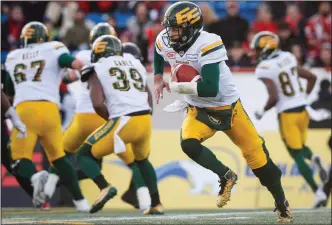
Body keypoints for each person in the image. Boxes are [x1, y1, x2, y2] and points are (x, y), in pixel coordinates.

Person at [154, 2, 291, 223]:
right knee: (188, 143)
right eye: (169, 28)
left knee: (259, 160)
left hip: (228, 109)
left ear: (191, 27)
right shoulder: (165, 38)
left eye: (176, 28)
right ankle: (226, 175)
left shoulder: (208, 43)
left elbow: (210, 88)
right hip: (198, 109)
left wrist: (177, 87)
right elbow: (158, 49)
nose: (170, 33)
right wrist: (158, 77)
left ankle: (281, 201)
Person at [43, 23, 142, 210]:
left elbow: (69, 77)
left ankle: (47, 190)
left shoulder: (82, 56)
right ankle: (146, 201)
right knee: (135, 161)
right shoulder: (123, 60)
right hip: (109, 116)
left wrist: (63, 73)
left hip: (83, 117)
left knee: (60, 155)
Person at [4, 21, 90, 211]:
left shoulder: (13, 56)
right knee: (59, 158)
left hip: (25, 110)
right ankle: (81, 202)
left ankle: (36, 177)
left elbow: (9, 92)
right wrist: (81, 68)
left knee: (18, 159)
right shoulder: (53, 49)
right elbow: (72, 62)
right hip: (50, 111)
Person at [77, 35, 162, 214]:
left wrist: (111, 120)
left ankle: (105, 187)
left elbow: (98, 103)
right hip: (145, 119)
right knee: (143, 161)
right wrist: (146, 116)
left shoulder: (97, 67)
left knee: (84, 154)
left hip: (123, 120)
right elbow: (148, 94)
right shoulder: (135, 63)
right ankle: (156, 204)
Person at [251, 31, 328, 209]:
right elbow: (312, 77)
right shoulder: (288, 57)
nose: (256, 53)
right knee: (300, 148)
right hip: (303, 110)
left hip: (287, 114)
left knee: (296, 154)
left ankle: (318, 192)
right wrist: (303, 97)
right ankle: (314, 158)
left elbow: (274, 97)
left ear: (266, 49)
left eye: (258, 49)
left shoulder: (265, 67)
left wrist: (262, 111)